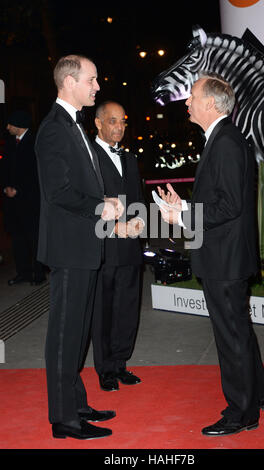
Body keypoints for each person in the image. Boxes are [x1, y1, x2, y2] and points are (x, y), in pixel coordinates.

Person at [158, 71, 264, 437]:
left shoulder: (225, 141)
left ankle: (241, 413)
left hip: (223, 258)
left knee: (231, 335)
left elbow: (227, 207)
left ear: (211, 102)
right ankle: (261, 395)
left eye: (192, 95)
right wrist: (188, 204)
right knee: (238, 329)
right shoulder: (223, 138)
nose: (187, 101)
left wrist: (181, 215)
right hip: (225, 255)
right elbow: (224, 200)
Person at [35, 55, 124, 440]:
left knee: (77, 332)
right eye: (92, 79)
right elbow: (58, 192)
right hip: (70, 247)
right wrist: (99, 206)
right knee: (64, 335)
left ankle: (77, 404)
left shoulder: (73, 126)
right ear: (70, 82)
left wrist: (105, 199)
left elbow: (79, 184)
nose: (97, 86)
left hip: (83, 245)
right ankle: (64, 420)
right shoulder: (55, 128)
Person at [91, 101, 144, 392]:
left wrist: (140, 223)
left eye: (122, 121)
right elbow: (88, 204)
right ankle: (106, 369)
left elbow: (137, 197)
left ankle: (121, 363)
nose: (119, 127)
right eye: (113, 121)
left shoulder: (130, 158)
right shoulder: (89, 157)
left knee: (127, 307)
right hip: (104, 247)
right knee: (104, 310)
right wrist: (113, 229)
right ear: (99, 124)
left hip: (130, 247)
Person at [1, 110, 46, 285]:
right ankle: (23, 273)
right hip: (12, 202)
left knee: (34, 239)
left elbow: (35, 173)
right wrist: (6, 187)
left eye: (10, 123)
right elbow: (4, 168)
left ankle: (38, 273)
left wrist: (18, 189)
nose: (7, 127)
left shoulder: (35, 142)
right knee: (18, 239)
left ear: (18, 124)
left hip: (30, 201)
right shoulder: (10, 143)